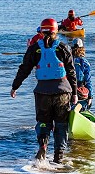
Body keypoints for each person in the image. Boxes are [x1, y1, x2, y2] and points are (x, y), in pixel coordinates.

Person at [10, 18, 78, 164]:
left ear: (41, 31)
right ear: (56, 32)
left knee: (43, 122)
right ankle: (59, 156)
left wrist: (15, 86)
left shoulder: (34, 48)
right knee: (61, 124)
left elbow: (24, 69)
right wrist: (75, 94)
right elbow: (71, 72)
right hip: (62, 92)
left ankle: (43, 145)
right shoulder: (64, 48)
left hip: (42, 92)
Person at [71, 38, 93, 111]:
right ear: (82, 49)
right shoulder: (85, 62)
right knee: (82, 109)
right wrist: (90, 96)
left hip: (68, 89)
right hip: (80, 90)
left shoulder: (67, 60)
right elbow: (88, 81)